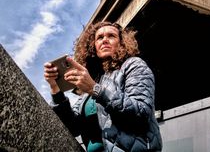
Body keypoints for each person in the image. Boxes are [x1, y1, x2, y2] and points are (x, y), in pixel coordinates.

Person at [44, 21, 162, 152]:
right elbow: (73, 127)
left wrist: (95, 90)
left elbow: (141, 111)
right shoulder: (94, 80)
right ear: (93, 46)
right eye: (99, 38)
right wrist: (56, 89)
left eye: (111, 36)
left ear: (121, 43)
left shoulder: (134, 65)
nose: (105, 40)